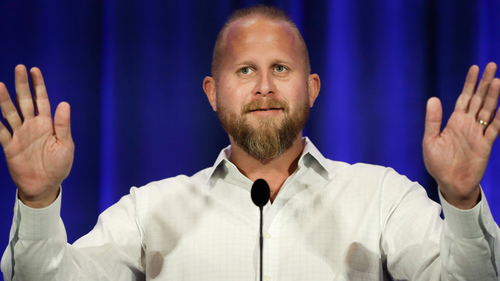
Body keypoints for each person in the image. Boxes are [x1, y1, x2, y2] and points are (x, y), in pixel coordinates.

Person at [1, 5, 500, 280]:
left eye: (280, 69)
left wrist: (459, 200)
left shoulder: (382, 196)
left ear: (312, 88)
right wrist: (40, 201)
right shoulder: (150, 209)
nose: (264, 86)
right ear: (213, 93)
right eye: (245, 70)